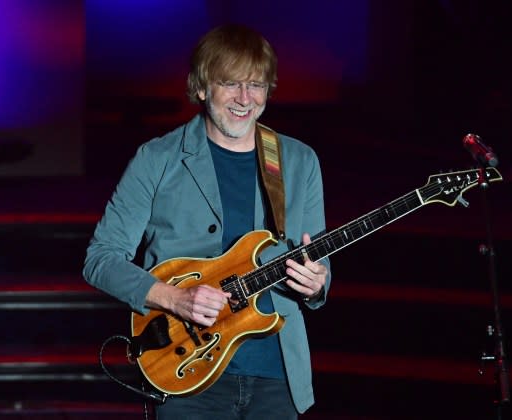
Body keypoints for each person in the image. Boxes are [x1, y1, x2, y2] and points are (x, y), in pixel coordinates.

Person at [83, 24, 331, 419]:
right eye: (231, 83)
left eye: (257, 85)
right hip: (186, 373)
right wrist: (174, 298)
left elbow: (318, 265)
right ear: (201, 87)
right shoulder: (157, 159)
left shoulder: (299, 161)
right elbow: (101, 259)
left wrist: (317, 284)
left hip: (276, 374)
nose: (245, 99)